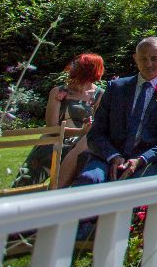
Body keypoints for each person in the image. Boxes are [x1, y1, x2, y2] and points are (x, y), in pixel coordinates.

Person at [73, 37, 157, 185]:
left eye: (154, 58)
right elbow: (96, 132)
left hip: (148, 159)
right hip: (109, 156)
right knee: (88, 180)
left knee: (138, 191)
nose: (148, 64)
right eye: (143, 59)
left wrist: (141, 159)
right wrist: (113, 156)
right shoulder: (116, 88)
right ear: (135, 58)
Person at [18, 53, 104, 189]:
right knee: (27, 178)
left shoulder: (100, 95)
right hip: (55, 140)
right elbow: (51, 128)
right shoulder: (59, 92)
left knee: (84, 157)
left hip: (81, 145)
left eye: (77, 65)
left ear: (89, 69)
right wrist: (81, 130)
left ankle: (60, 197)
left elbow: (98, 126)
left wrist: (88, 129)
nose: (71, 67)